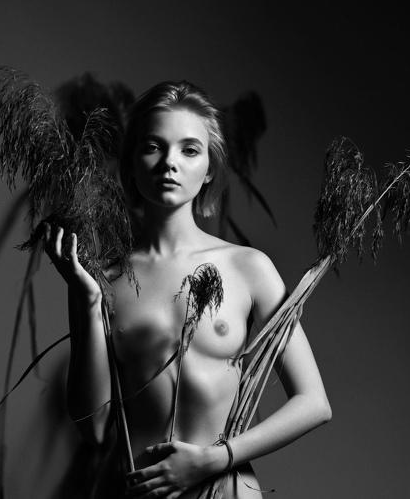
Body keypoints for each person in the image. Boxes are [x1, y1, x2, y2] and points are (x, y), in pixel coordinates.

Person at [43, 81, 332, 498]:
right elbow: (94, 426)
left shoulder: (248, 268)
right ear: (132, 162)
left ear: (210, 167)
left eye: (190, 150)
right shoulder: (102, 280)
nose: (169, 163)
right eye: (153, 147)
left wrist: (214, 460)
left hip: (226, 489)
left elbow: (313, 402)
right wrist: (86, 300)